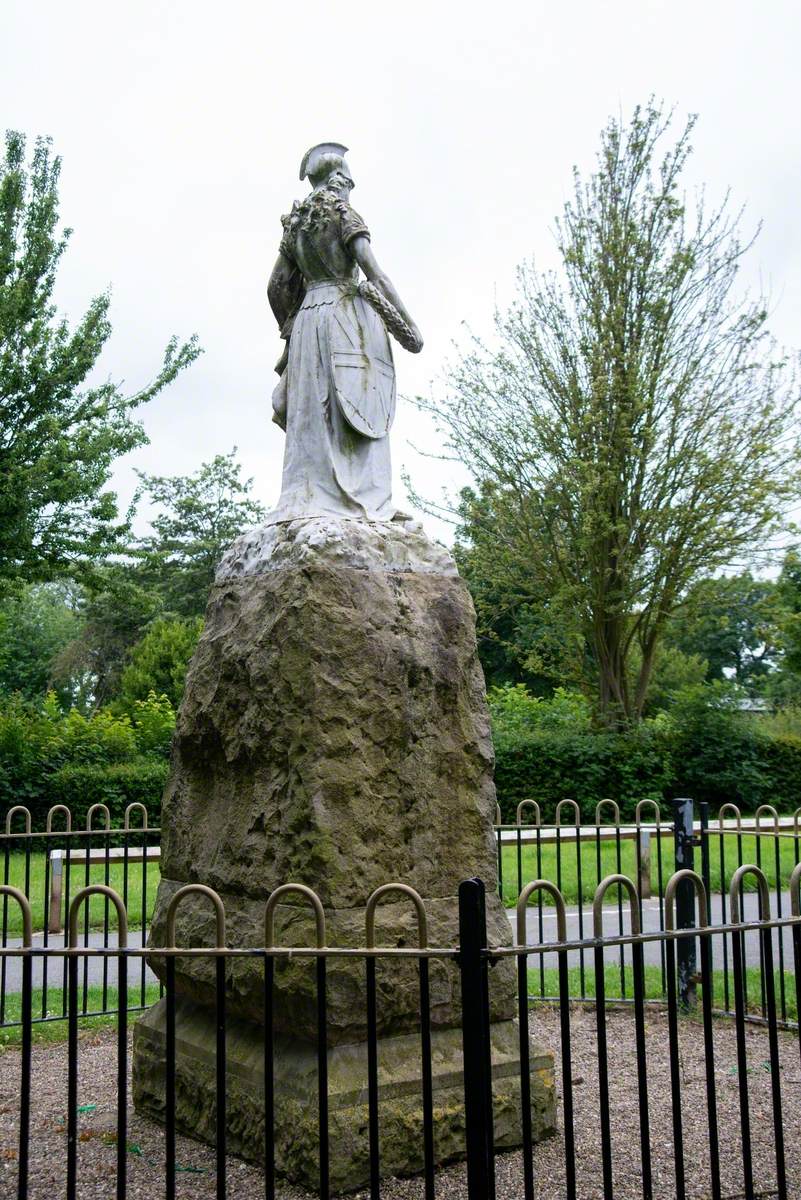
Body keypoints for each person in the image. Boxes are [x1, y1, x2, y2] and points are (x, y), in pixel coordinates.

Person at [267, 143, 422, 522]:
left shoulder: (298, 223)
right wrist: (410, 324)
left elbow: (276, 285)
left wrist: (292, 324)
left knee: (313, 414)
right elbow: (375, 273)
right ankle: (365, 501)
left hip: (308, 320)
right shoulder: (343, 214)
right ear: (338, 180)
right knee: (353, 403)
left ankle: (311, 498)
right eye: (349, 182)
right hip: (346, 313)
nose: (350, 188)